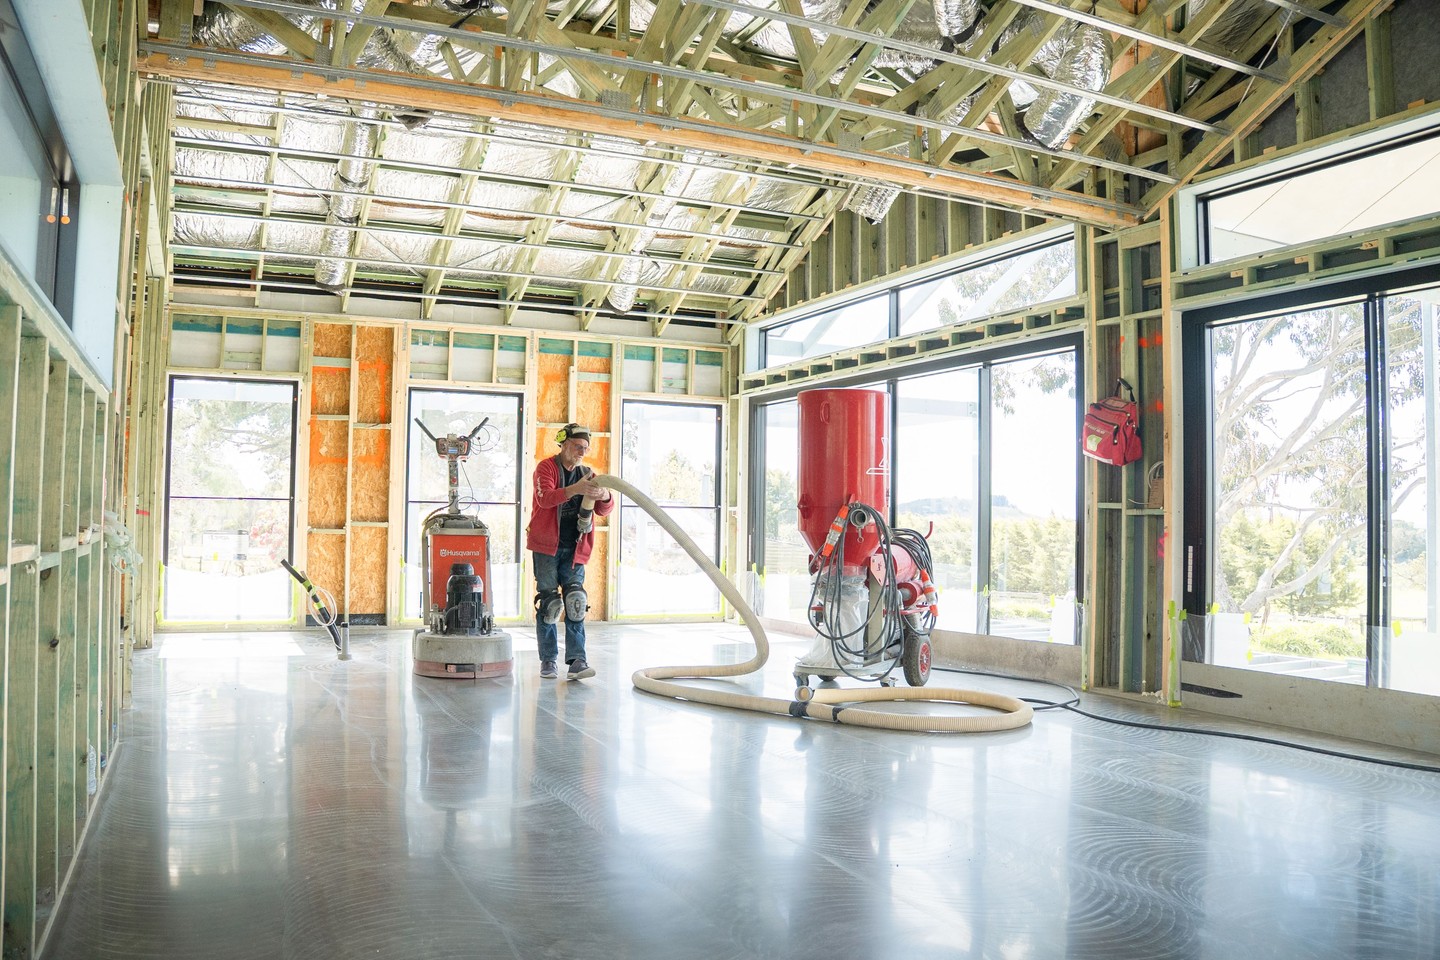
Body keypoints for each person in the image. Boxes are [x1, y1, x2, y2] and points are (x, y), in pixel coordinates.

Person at [525, 422, 615, 680]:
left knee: (576, 602)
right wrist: (577, 489)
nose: (581, 452)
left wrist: (604, 494)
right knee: (550, 603)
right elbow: (545, 498)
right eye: (577, 447)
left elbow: (603, 510)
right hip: (547, 548)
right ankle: (549, 661)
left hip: (575, 548)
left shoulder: (588, 473)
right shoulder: (546, 468)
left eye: (585, 448)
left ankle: (577, 660)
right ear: (563, 443)